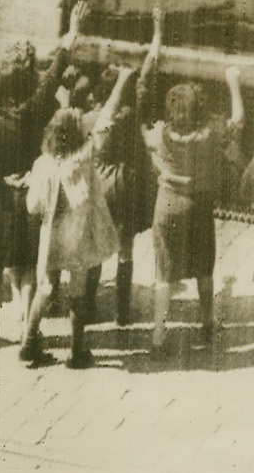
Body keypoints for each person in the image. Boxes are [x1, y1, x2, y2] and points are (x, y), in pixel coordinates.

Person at [140, 11, 245, 357]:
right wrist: (233, 82)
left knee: (163, 274)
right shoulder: (210, 135)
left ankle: (158, 336)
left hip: (168, 205)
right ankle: (207, 323)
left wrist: (157, 34)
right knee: (204, 268)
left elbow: (143, 101)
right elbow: (238, 121)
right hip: (198, 207)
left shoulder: (160, 134)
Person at [0, 19, 74, 353]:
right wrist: (70, 38)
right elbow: (52, 79)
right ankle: (29, 324)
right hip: (26, 199)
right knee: (26, 267)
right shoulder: (33, 113)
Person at [22, 67, 133, 369]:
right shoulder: (83, 157)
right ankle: (76, 349)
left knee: (46, 287)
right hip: (79, 234)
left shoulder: (43, 164)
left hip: (51, 235)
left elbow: (32, 206)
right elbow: (106, 117)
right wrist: (123, 80)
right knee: (78, 293)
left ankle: (28, 342)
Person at [91, 66, 156, 327]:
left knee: (95, 248)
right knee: (125, 250)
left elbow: (112, 106)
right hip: (127, 187)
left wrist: (122, 77)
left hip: (104, 188)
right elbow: (144, 83)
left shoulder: (101, 121)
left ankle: (88, 303)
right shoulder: (134, 115)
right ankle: (122, 312)